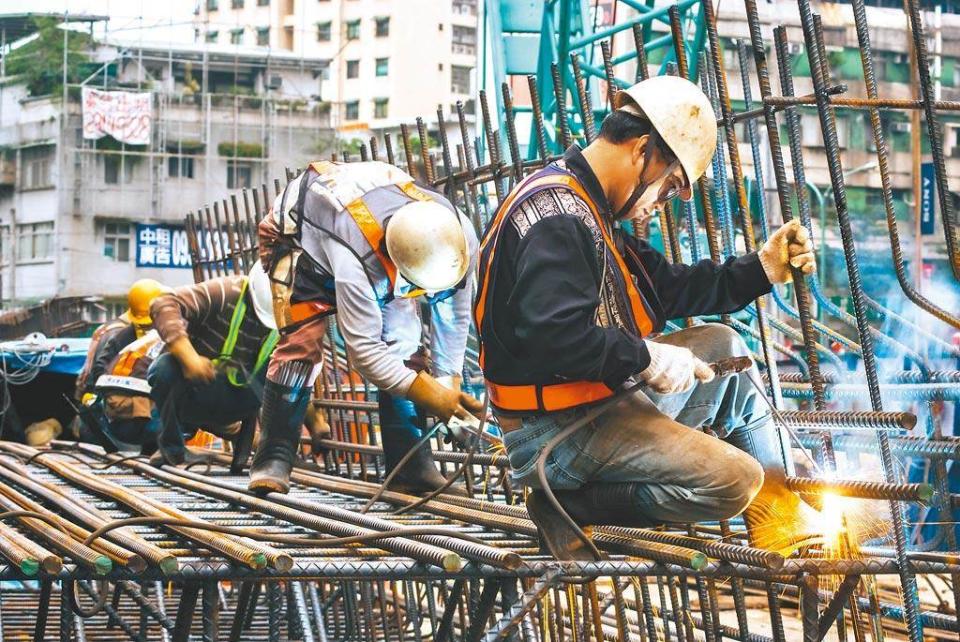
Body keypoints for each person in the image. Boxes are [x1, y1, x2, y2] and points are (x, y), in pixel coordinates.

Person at [473, 75, 817, 559]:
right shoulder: (559, 218)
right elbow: (552, 336)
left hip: (590, 401)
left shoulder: (587, 208)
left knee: (723, 345)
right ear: (640, 151)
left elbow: (669, 285)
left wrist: (762, 268)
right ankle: (570, 504)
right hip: (557, 432)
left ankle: (783, 518)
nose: (657, 205)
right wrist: (644, 357)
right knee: (735, 481)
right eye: (669, 185)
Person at [251, 160, 482, 494]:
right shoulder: (357, 258)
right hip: (297, 235)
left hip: (366, 227)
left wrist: (449, 386)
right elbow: (365, 352)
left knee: (404, 344)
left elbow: (454, 317)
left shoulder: (458, 237)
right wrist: (431, 395)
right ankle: (274, 455)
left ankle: (409, 467)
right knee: (302, 345)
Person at [146, 263, 328, 468]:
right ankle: (173, 452)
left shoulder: (288, 318)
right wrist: (189, 358)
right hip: (197, 391)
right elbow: (162, 302)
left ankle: (277, 454)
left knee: (282, 370)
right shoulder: (226, 292)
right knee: (164, 368)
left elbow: (292, 376)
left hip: (239, 402)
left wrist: (315, 424)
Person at [74, 279, 168, 405]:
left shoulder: (167, 334)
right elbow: (100, 369)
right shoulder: (120, 336)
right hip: (124, 406)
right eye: (142, 325)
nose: (144, 328)